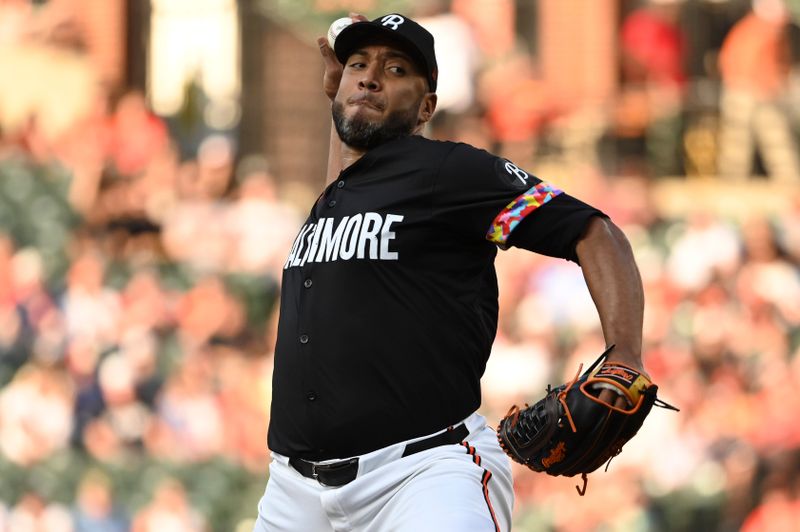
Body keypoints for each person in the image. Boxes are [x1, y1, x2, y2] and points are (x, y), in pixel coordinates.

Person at [254, 13, 646, 532]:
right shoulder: (337, 195)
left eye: (396, 70)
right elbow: (354, 164)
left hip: (421, 475)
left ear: (426, 108)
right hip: (293, 493)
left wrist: (625, 355)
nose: (371, 76)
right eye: (358, 64)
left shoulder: (446, 171)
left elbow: (594, 232)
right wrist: (340, 95)